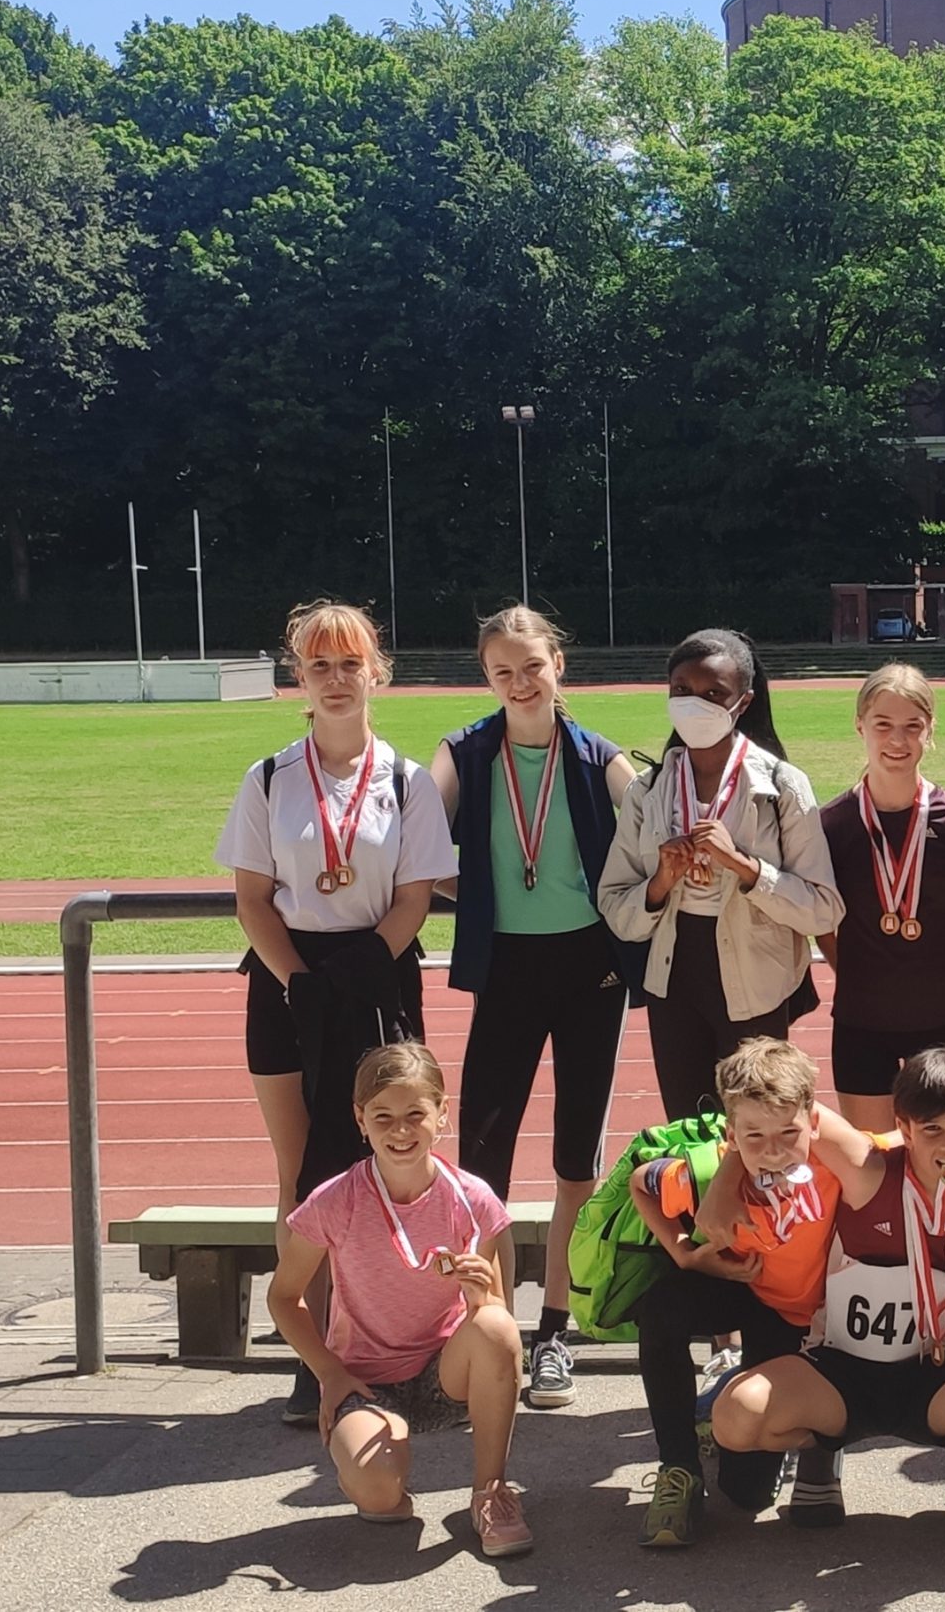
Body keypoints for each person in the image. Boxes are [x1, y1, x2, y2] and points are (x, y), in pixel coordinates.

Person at [218, 599, 455, 1426]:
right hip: (288, 982)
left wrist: (361, 969)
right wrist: (300, 980)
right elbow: (252, 898)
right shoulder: (268, 777)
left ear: (375, 671)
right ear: (300, 678)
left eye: (350, 663)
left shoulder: (407, 780)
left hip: (377, 976)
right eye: (319, 665)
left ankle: (393, 1346)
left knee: (387, 1164)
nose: (336, 679)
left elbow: (417, 895)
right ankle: (312, 1356)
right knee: (302, 1173)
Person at [429, 604, 646, 1410]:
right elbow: (413, 845)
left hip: (591, 969)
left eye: (532, 666)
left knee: (575, 1161)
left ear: (559, 664)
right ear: (486, 676)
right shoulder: (463, 752)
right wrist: (481, 895)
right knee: (483, 1157)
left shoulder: (599, 756)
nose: (520, 682)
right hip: (507, 968)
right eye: (503, 671)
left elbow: (658, 834)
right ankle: (490, 1326)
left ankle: (554, 1331)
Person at [708, 1048, 945, 1531]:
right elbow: (793, 1107)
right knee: (735, 1418)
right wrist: (726, 1177)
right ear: (904, 1127)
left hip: (933, 1368)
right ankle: (822, 1451)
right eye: (932, 1129)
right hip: (839, 1370)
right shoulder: (868, 1171)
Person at [267, 1042, 534, 1558]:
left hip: (444, 1374)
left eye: (415, 1114)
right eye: (383, 1117)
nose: (401, 1131)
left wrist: (481, 1296)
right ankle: (379, 1473)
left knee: (498, 1326)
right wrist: (329, 1373)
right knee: (377, 1493)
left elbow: (494, 1317)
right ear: (360, 1119)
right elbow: (283, 1297)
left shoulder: (472, 1199)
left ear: (442, 1113)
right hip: (365, 1381)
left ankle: (491, 1491)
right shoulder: (336, 1200)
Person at [598, 628, 843, 1122]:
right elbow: (615, 905)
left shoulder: (783, 786)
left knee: (760, 1124)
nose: (695, 704)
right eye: (681, 690)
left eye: (713, 693)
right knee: (688, 1129)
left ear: (743, 701)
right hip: (673, 975)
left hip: (756, 975)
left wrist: (746, 868)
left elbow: (823, 909)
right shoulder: (648, 790)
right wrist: (660, 883)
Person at [624, 1036, 843, 1549]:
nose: (772, 1151)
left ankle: (719, 1404)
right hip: (741, 1289)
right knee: (661, 1307)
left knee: (747, 1494)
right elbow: (641, 1182)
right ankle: (679, 1467)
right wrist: (684, 1253)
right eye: (754, 1136)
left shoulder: (839, 1164)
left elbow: (911, 1145)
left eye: (788, 1132)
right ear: (731, 1135)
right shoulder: (709, 1167)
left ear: (813, 1123)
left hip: (792, 1319)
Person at [817, 664, 945, 1132]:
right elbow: (822, 923)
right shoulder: (832, 824)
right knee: (870, 1156)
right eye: (883, 725)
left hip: (942, 1018)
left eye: (913, 726)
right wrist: (854, 974)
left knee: (942, 1152)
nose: (898, 740)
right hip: (861, 1018)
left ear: (929, 730)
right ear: (860, 725)